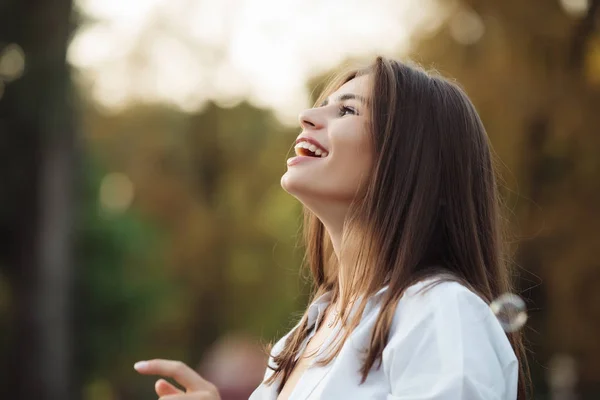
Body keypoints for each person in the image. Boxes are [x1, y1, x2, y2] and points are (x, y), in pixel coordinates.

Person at [134, 56, 530, 400]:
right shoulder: (302, 337)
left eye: (346, 111)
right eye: (323, 105)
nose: (306, 116)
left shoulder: (442, 314)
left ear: (410, 161)